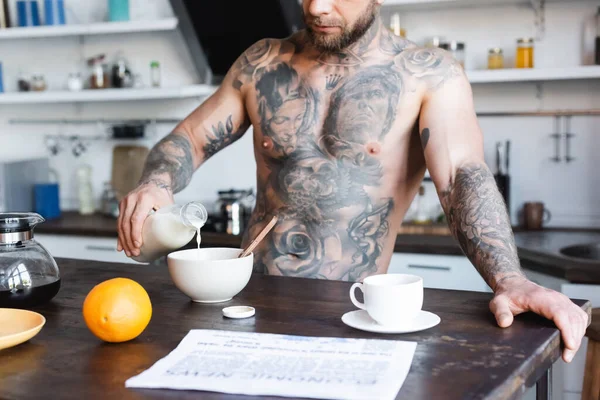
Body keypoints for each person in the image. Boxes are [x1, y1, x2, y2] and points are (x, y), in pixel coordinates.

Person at [117, 0, 588, 363]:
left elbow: (462, 174)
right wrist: (157, 182)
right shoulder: (260, 64)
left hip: (357, 317)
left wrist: (509, 279)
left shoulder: (429, 75)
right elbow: (189, 139)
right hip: (247, 311)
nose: (317, 8)